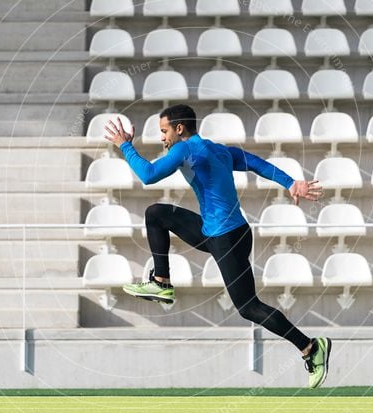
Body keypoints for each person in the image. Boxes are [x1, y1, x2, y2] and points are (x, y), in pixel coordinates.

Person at [104, 104, 332, 388]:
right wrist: (290, 183)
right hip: (217, 231)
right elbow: (255, 162)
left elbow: (149, 175)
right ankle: (161, 281)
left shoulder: (184, 149)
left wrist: (125, 146)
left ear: (179, 128)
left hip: (226, 237)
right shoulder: (219, 149)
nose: (162, 138)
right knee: (156, 214)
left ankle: (310, 347)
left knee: (249, 307)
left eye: (164, 131)